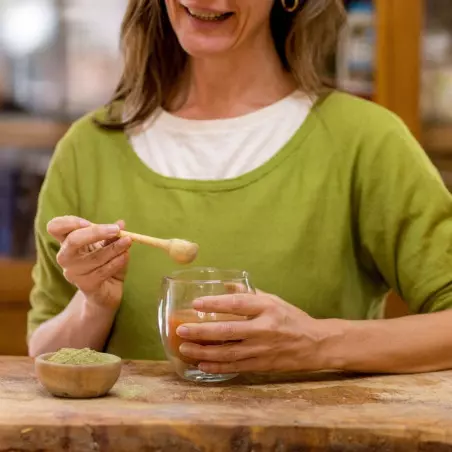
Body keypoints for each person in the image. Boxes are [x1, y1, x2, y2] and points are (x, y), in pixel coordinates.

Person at [27, 0, 452, 375]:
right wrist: (94, 305)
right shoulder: (88, 149)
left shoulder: (365, 140)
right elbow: (42, 355)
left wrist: (317, 343)